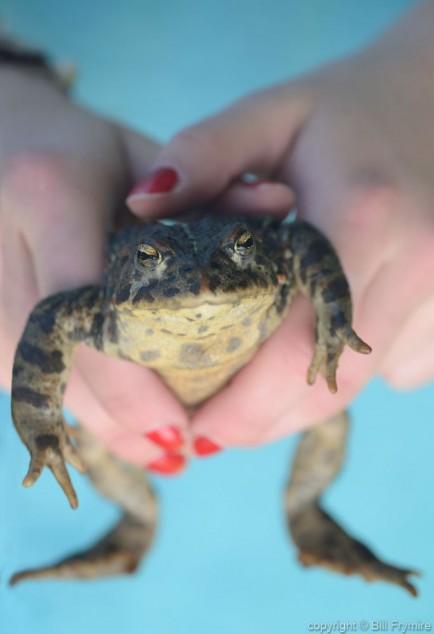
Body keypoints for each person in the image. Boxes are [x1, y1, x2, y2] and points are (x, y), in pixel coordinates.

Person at [1, 1, 433, 475]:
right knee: (95, 459)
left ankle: (312, 524)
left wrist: (417, 69)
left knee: (331, 418)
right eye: (150, 258)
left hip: (392, 339)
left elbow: (298, 240)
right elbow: (49, 316)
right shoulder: (99, 315)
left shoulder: (278, 277)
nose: (202, 280)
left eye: (241, 248)